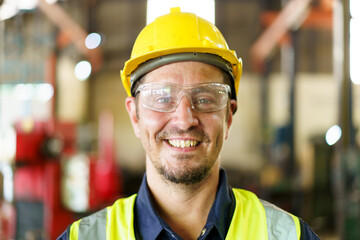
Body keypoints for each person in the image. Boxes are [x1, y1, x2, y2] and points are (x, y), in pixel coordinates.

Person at [58, 7, 319, 240]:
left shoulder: (288, 235)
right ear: (135, 115)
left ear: (228, 116)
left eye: (205, 98)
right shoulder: (85, 236)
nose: (184, 120)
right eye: (162, 98)